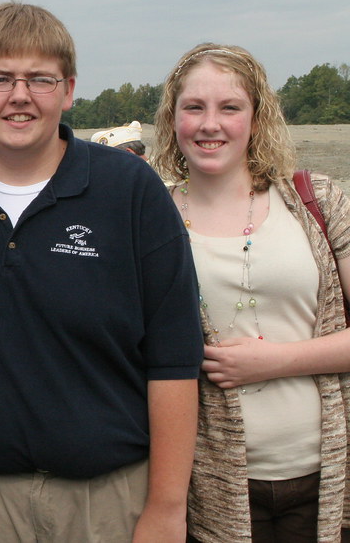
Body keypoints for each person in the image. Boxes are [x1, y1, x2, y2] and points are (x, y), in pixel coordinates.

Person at [0, 1, 202, 542]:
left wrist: (166, 509)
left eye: (40, 79)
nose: (20, 96)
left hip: (111, 498)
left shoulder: (129, 191)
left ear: (69, 90)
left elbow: (174, 359)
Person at [152, 43, 350, 542]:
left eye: (230, 108)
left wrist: (274, 361)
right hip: (211, 490)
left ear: (257, 119)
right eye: (193, 107)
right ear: (172, 120)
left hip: (325, 478)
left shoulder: (318, 201)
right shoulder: (150, 218)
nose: (209, 124)